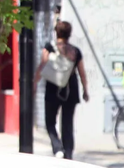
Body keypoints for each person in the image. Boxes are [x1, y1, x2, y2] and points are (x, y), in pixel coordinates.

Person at [34, 20, 90, 159]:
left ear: (56, 32)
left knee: (49, 122)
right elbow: (82, 72)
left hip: (53, 86)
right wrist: (85, 91)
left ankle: (57, 147)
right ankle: (68, 153)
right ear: (69, 34)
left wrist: (34, 83)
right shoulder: (75, 52)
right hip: (71, 88)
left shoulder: (49, 47)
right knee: (67, 123)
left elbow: (42, 65)